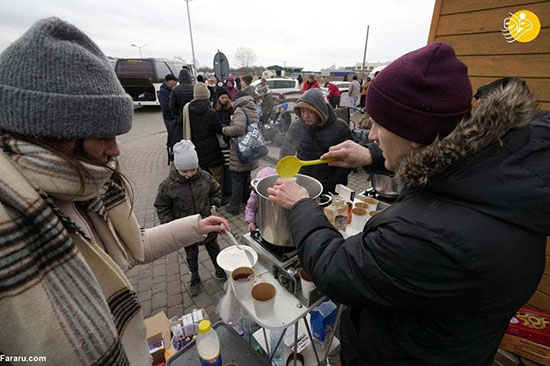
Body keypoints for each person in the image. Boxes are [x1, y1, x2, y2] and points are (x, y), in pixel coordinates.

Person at [267, 42, 550, 365]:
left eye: (377, 125)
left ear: (414, 133)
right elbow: (435, 164)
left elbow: (336, 270)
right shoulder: (496, 162)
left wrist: (302, 205)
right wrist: (369, 156)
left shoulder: (425, 236)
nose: (371, 135)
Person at [0, 17, 231, 366]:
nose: (116, 150)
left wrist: (195, 226)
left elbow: (130, 248)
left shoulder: (80, 187)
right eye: (103, 135)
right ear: (54, 134)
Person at [154, 140, 227, 296]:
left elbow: (216, 191)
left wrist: (214, 205)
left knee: (214, 248)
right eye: (185, 171)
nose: (190, 174)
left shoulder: (205, 177)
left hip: (208, 223)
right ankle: (194, 276)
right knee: (191, 254)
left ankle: (219, 269)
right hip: (186, 229)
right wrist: (171, 225)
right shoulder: (167, 186)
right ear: (177, 168)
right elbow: (161, 206)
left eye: (193, 169)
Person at [279, 88, 351, 194]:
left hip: (330, 185)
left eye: (310, 111)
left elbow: (348, 159)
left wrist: (335, 181)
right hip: (303, 181)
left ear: (320, 110)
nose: (305, 115)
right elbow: (286, 151)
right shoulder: (297, 125)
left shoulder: (340, 128)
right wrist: (285, 174)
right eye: (302, 111)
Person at [222, 91, 260, 215]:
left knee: (237, 179)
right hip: (250, 149)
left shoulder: (240, 110)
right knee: (246, 177)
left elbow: (238, 129)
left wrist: (224, 129)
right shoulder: (252, 108)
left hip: (240, 151)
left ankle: (233, 207)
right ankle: (247, 199)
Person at [182, 82, 225, 189]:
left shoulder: (187, 110)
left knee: (201, 177)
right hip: (212, 150)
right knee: (217, 176)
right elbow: (219, 129)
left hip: (196, 150)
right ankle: (218, 197)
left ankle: (205, 196)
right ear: (207, 96)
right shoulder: (211, 113)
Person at [213, 87, 234, 202]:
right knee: (223, 166)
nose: (224, 99)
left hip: (228, 138)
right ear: (218, 98)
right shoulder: (215, 109)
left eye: (226, 97)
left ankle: (229, 190)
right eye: (222, 97)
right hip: (220, 138)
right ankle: (224, 190)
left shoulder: (231, 108)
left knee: (228, 165)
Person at [169, 68, 194, 157]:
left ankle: (184, 156)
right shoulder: (194, 88)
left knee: (183, 139)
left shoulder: (175, 90)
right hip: (194, 117)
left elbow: (172, 107)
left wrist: (177, 115)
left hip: (181, 119)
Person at [245, 167, 277, 231]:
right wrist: (251, 222)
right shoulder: (255, 195)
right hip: (259, 224)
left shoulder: (278, 196)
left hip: (275, 225)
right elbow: (250, 208)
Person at [158, 73, 179, 161]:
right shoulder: (163, 92)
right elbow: (165, 105)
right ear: (168, 82)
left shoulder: (172, 90)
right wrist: (174, 101)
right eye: (173, 84)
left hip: (174, 116)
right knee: (171, 135)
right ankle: (172, 152)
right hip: (168, 118)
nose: (174, 85)